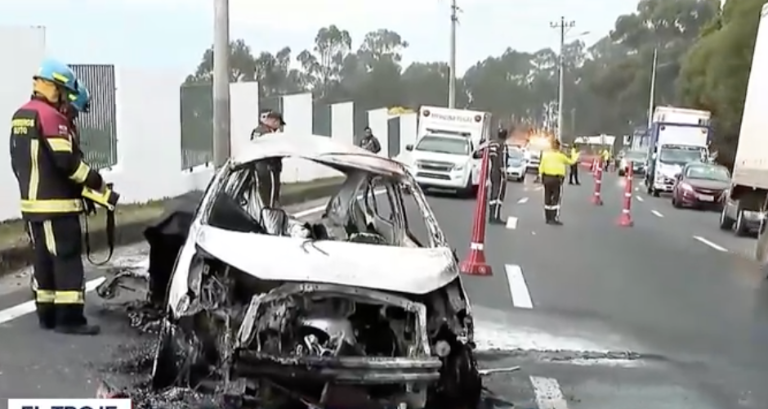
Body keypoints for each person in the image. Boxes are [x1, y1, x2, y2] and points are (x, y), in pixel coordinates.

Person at [10, 59, 104, 334]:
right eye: (65, 93)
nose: (67, 102)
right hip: (57, 207)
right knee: (66, 259)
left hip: (31, 206)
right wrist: (95, 181)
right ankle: (70, 319)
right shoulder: (51, 118)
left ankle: (47, 315)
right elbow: (67, 163)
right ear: (56, 88)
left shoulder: (21, 116)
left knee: (43, 260)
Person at [538, 139, 578, 225]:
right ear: (558, 147)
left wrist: (541, 177)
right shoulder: (561, 156)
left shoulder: (546, 156)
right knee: (555, 198)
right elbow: (572, 162)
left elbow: (541, 167)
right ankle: (553, 218)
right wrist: (576, 155)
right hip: (556, 179)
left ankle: (547, 218)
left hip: (547, 178)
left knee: (547, 197)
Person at [250, 110, 285, 206]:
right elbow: (272, 150)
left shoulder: (258, 130)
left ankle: (267, 209)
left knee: (263, 191)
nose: (278, 126)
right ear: (273, 120)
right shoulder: (267, 133)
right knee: (271, 191)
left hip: (260, 166)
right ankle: (271, 210)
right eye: (277, 122)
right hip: (268, 167)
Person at [487, 128, 508, 225]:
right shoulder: (502, 146)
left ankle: (491, 215)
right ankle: (496, 216)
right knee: (499, 194)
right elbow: (502, 160)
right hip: (499, 172)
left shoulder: (492, 145)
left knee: (493, 193)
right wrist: (504, 172)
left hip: (492, 170)